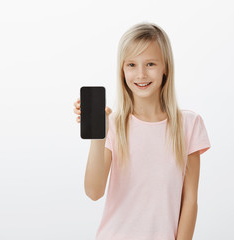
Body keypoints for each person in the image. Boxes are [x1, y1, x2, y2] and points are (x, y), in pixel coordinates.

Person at [73, 22, 211, 240]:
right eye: (131, 65)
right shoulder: (115, 125)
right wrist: (98, 133)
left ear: (166, 67)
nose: (141, 74)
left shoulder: (189, 124)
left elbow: (190, 200)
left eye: (150, 64)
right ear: (122, 69)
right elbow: (93, 191)